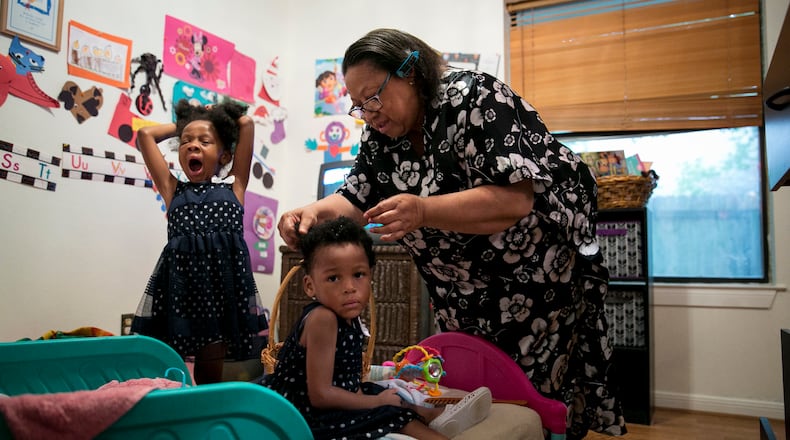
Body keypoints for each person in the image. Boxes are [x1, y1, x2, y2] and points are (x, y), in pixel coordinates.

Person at [277, 28, 626, 439]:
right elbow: (355, 197)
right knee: (475, 384)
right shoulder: (381, 133)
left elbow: (514, 199)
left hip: (536, 281)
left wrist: (423, 209)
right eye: (358, 105)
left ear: (410, 71)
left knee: (535, 396)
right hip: (460, 289)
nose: (368, 113)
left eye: (373, 97)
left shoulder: (475, 98)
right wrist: (312, 212)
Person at [263, 217, 491, 440]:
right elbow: (320, 395)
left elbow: (345, 377)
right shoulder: (323, 318)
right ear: (310, 285)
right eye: (333, 278)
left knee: (382, 393)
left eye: (358, 275)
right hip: (303, 413)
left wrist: (370, 397)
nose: (349, 288)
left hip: (338, 395)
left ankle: (432, 414)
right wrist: (374, 403)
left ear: (371, 275)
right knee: (385, 410)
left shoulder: (347, 317)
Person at [132, 99, 264, 375]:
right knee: (173, 351)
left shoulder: (235, 187)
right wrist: (185, 122)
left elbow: (246, 123)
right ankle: (178, 395)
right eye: (186, 141)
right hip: (183, 286)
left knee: (213, 354)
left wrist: (214, 117)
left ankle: (208, 399)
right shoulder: (172, 189)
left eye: (205, 141)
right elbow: (146, 135)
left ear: (224, 156)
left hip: (223, 285)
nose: (193, 145)